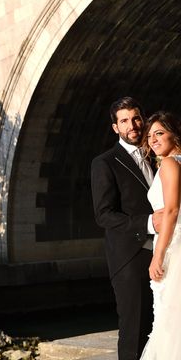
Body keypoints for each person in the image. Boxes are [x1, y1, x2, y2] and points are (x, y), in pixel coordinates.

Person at [91, 97, 160, 360]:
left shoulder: (157, 154)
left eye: (136, 118)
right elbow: (104, 215)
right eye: (124, 120)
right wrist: (148, 223)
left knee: (163, 327)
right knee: (135, 332)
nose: (132, 125)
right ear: (115, 127)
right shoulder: (105, 162)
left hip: (166, 253)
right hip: (131, 258)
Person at [139, 111, 181, 359]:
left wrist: (158, 254)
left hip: (173, 249)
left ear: (173, 133)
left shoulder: (169, 163)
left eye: (159, 133)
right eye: (149, 135)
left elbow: (172, 210)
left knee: (170, 320)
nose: (152, 140)